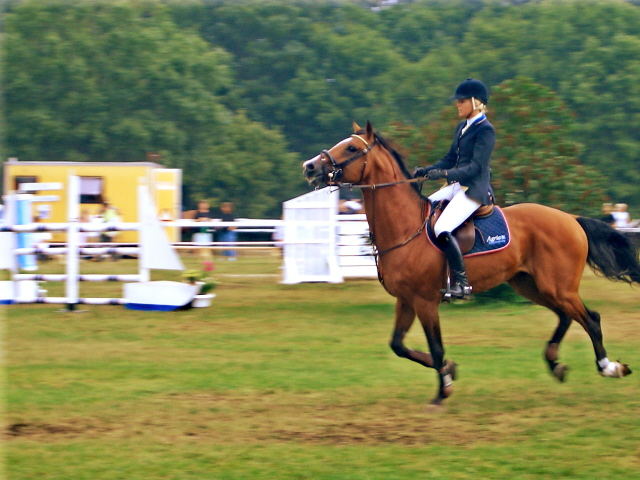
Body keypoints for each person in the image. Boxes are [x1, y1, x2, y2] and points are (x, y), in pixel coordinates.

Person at [414, 78, 496, 299]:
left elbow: (476, 167)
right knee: (422, 212)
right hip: (456, 185)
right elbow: (450, 158)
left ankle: (461, 284)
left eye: (461, 101)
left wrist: (445, 174)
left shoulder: (485, 130)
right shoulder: (462, 127)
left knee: (442, 228)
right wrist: (427, 170)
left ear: (476, 102)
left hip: (473, 190)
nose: (457, 105)